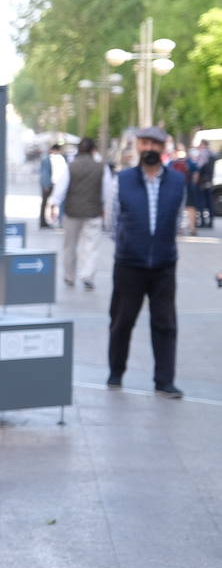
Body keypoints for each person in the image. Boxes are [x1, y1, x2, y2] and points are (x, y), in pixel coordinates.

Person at [107, 127, 186, 398]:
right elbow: (112, 221)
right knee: (121, 321)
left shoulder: (177, 181)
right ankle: (116, 373)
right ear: (137, 146)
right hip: (130, 264)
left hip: (164, 264)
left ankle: (165, 381)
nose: (149, 148)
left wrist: (164, 244)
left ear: (163, 148)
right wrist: (127, 245)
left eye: (155, 144)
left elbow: (177, 220)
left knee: (165, 323)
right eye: (145, 143)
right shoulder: (123, 179)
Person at [49, 137, 113, 290]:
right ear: (93, 150)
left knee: (70, 245)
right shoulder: (101, 167)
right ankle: (87, 276)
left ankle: (69, 276)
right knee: (90, 246)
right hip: (93, 212)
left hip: (72, 212)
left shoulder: (71, 167)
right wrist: (106, 210)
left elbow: (61, 188)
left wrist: (54, 205)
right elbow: (108, 192)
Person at [39, 143, 66, 228]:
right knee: (50, 202)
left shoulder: (50, 158)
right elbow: (45, 173)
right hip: (51, 184)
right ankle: (46, 221)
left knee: (46, 203)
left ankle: (45, 221)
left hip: (52, 184)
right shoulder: (49, 159)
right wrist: (46, 184)